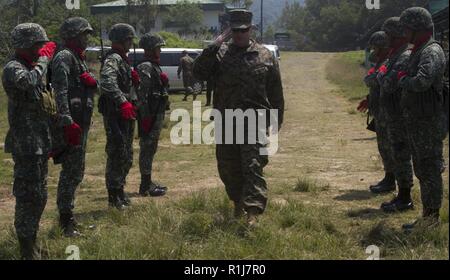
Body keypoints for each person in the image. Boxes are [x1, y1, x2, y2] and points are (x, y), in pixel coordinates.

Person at [193, 9, 284, 227]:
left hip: (255, 121)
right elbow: (198, 73)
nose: (239, 35)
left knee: (252, 165)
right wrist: (214, 45)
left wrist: (276, 120)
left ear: (250, 29)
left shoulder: (265, 55)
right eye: (235, 31)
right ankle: (237, 202)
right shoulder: (220, 55)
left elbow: (276, 92)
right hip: (226, 121)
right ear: (229, 31)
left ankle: (252, 213)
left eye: (243, 30)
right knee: (228, 167)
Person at [2, 23, 56, 259]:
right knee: (27, 197)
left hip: (40, 143)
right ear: (25, 45)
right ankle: (26, 249)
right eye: (38, 45)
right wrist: (44, 62)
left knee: (40, 196)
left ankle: (32, 243)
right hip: (25, 145)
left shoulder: (32, 66)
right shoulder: (14, 68)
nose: (41, 49)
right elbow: (27, 83)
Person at [398, 7, 447, 231]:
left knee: (429, 171)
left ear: (418, 29)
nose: (404, 34)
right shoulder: (420, 49)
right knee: (423, 170)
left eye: (408, 29)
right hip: (419, 122)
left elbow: (422, 81)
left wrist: (403, 79)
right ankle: (427, 217)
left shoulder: (431, 51)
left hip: (428, 123)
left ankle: (431, 221)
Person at [52, 17, 96, 237]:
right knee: (70, 173)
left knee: (76, 172)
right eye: (83, 34)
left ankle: (69, 217)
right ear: (72, 35)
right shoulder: (64, 57)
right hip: (72, 124)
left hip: (81, 122)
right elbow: (59, 91)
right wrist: (67, 121)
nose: (86, 38)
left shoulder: (78, 58)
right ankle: (65, 221)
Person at [98, 23, 139, 210]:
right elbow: (106, 82)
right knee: (117, 154)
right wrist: (122, 101)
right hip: (116, 114)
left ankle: (120, 191)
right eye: (129, 39)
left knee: (126, 156)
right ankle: (113, 196)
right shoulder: (113, 58)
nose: (131, 43)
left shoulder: (123, 59)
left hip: (126, 114)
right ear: (123, 40)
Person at [376, 17, 414, 213]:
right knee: (396, 155)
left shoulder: (404, 56)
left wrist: (382, 75)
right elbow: (381, 74)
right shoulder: (394, 55)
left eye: (389, 34)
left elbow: (388, 82)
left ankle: (406, 198)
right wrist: (382, 75)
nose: (386, 38)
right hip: (393, 115)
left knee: (401, 155)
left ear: (397, 35)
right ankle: (401, 194)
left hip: (401, 116)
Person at [357, 31, 396, 194]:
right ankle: (389, 177)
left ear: (384, 47)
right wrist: (369, 99)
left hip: (389, 112)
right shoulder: (381, 61)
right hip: (380, 109)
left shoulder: (388, 62)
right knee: (384, 147)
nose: (374, 51)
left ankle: (392, 180)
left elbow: (373, 80)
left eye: (376, 47)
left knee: (390, 148)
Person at [136, 33, 169, 197]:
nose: (160, 51)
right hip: (149, 115)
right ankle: (145, 185)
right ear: (150, 49)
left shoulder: (154, 65)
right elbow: (142, 94)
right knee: (147, 149)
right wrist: (145, 116)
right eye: (158, 48)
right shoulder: (146, 67)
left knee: (151, 148)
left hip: (155, 113)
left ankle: (148, 181)